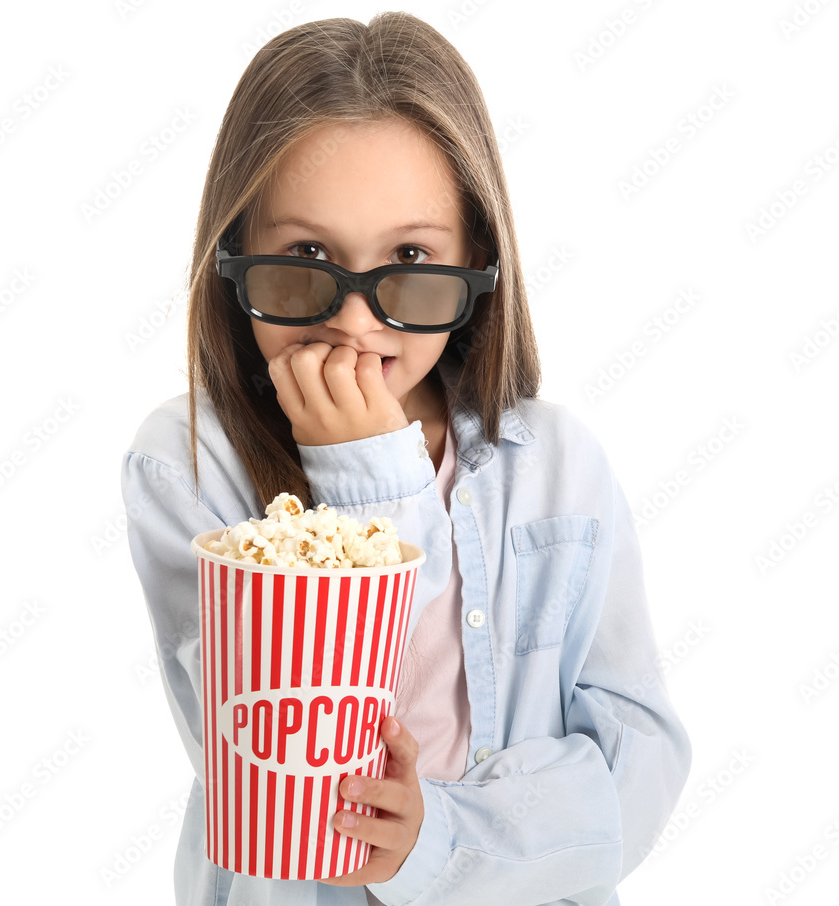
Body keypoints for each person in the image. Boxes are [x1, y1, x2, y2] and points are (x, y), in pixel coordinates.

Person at [121, 12, 691, 906]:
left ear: (477, 267)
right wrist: (368, 474)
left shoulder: (558, 465)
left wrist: (446, 842)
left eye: (411, 259)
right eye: (305, 256)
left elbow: (641, 766)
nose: (354, 319)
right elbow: (272, 762)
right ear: (235, 253)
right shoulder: (189, 462)